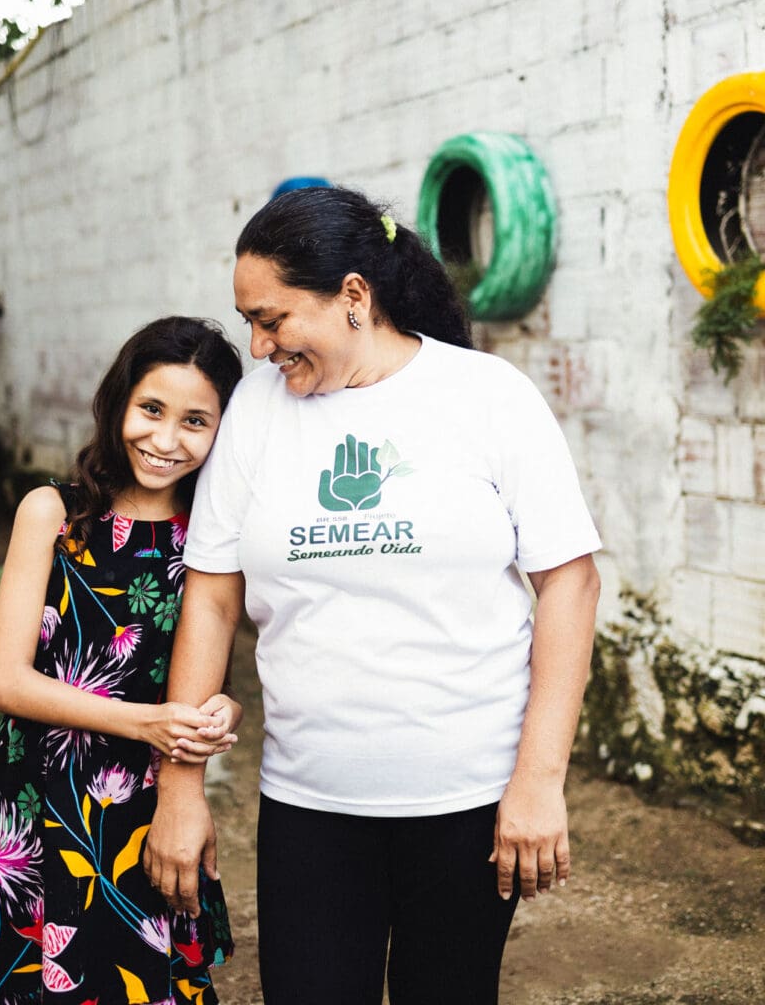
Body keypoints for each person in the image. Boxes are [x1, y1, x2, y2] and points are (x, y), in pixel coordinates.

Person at [143, 188, 602, 1004]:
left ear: (354, 296)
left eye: (273, 319)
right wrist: (181, 788)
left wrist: (539, 778)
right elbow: (210, 598)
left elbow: (568, 581)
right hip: (309, 804)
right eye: (248, 320)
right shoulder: (255, 411)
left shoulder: (488, 396)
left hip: (469, 803)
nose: (257, 345)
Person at [0, 316, 244, 1005]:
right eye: (152, 409)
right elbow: (5, 680)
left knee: (137, 982)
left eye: (196, 420)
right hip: (38, 794)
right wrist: (147, 724)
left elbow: (209, 671)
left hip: (148, 804)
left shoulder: (215, 537)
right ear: (119, 403)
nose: (166, 440)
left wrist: (224, 708)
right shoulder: (52, 513)